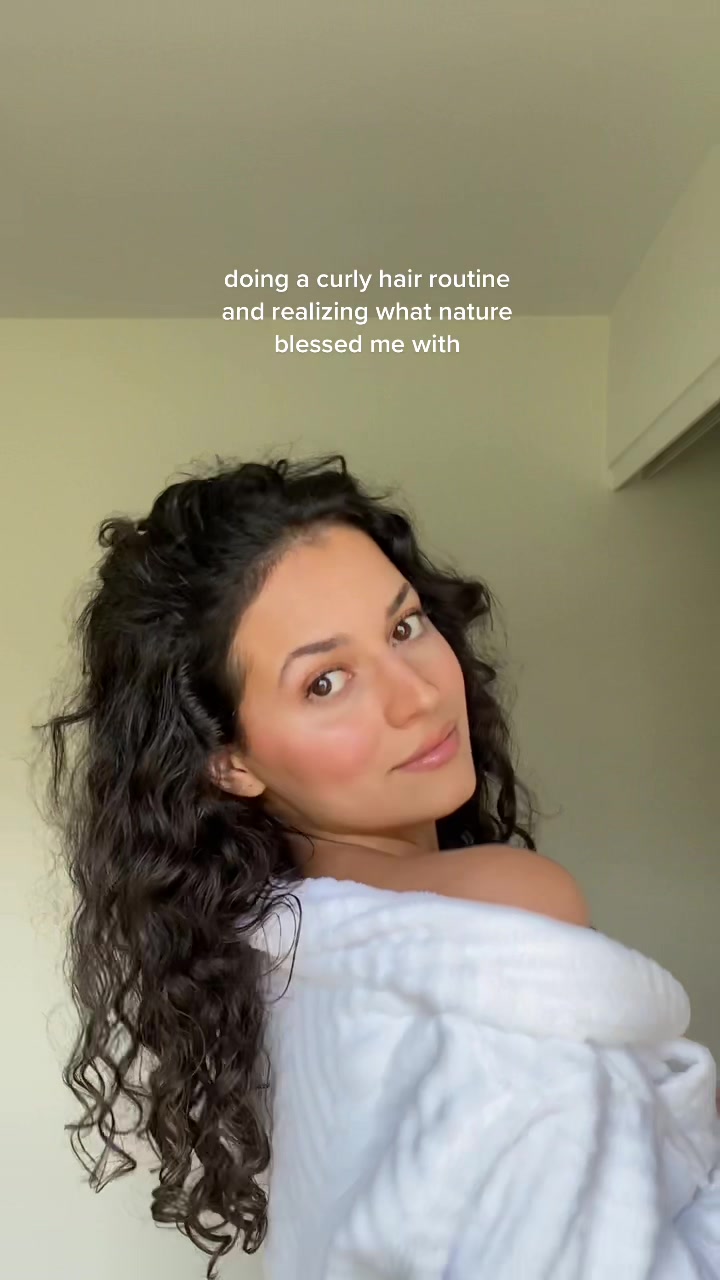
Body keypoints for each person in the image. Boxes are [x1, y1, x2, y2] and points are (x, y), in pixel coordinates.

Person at [39, 454, 720, 1280]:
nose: (418, 696)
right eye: (326, 682)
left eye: (404, 628)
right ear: (230, 762)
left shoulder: (271, 965)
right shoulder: (508, 911)